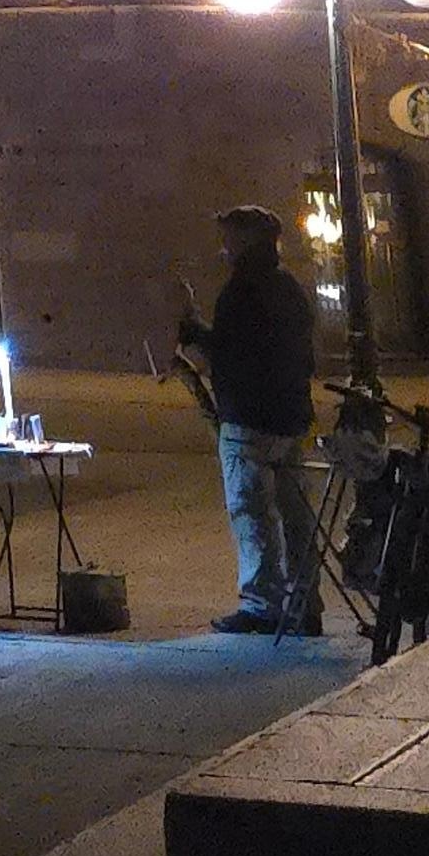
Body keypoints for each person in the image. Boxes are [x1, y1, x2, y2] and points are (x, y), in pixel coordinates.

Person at [176, 205, 321, 635]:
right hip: (291, 418)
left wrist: (194, 331)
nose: (224, 247)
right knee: (296, 516)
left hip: (249, 421)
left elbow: (230, 356)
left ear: (245, 241)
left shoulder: (239, 292)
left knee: (251, 513)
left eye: (229, 238)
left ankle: (262, 605)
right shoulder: (289, 288)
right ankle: (304, 605)